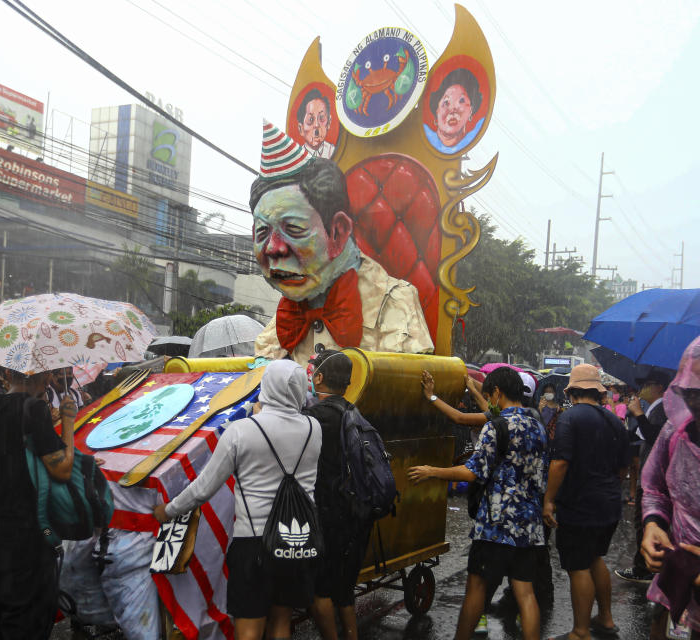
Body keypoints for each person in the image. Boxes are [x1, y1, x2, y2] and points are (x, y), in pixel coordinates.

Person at [153, 360, 322, 640]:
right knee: (281, 619)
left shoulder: (241, 431)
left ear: (267, 387)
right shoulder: (313, 428)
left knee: (249, 626)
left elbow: (203, 488)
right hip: (297, 542)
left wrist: (168, 511)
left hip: (253, 543)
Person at [251, 125, 433, 365]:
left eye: (294, 228)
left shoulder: (394, 303)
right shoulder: (284, 317)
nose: (273, 248)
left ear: (338, 231)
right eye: (262, 232)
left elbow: (408, 388)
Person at [408, 366, 546, 640]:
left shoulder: (495, 428)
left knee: (476, 590)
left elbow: (474, 471)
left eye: (488, 395)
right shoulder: (537, 424)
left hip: (495, 527)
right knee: (526, 595)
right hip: (529, 526)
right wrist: (472, 388)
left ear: (497, 392)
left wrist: (432, 471)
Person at [0, 369, 74, 640]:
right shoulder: (35, 409)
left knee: (5, 609)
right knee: (30, 616)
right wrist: (68, 422)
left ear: (8, 373)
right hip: (30, 531)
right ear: (42, 376)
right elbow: (62, 469)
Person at [543, 363, 630, 640]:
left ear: (572, 391)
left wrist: (548, 500)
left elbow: (559, 464)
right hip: (608, 505)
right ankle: (605, 618)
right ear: (598, 391)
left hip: (580, 506)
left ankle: (580, 632)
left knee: (578, 565)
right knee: (595, 558)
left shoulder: (571, 418)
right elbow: (622, 469)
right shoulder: (615, 421)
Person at [303, 350, 371, 640]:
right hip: (356, 510)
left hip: (327, 513)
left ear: (318, 377)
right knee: (343, 588)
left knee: (319, 590)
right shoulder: (354, 412)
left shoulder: (312, 418)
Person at [640, 336, 700, 637]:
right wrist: (654, 523)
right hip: (677, 585)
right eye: (690, 391)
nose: (695, 402)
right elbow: (655, 488)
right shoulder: (674, 432)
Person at [615, 369, 671, 583]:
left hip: (653, 478)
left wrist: (638, 413)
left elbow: (655, 436)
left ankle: (645, 568)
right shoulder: (655, 408)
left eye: (648, 383)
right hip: (648, 474)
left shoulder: (664, 407)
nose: (643, 388)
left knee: (645, 521)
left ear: (659, 387)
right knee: (644, 521)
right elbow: (636, 436)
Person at [423, 67, 484, 153]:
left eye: (461, 101)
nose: (453, 110)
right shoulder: (420, 138)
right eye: (446, 102)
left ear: (471, 110)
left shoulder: (472, 139)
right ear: (436, 111)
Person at [296, 88, 335, 159]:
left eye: (321, 118)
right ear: (301, 128)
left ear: (329, 122)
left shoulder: (333, 151)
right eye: (310, 120)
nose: (316, 125)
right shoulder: (298, 157)